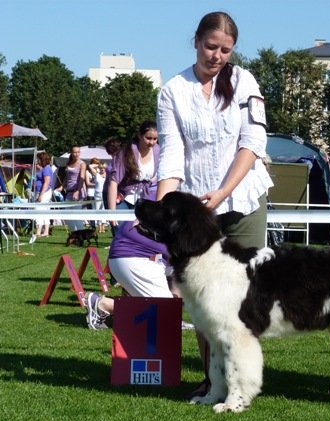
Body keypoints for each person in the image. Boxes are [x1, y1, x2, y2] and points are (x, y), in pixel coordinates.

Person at [155, 11, 273, 400]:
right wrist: (160, 212)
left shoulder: (244, 81)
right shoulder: (173, 89)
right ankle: (211, 379)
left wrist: (223, 192)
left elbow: (253, 143)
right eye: (211, 47)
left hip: (243, 201)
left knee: (243, 302)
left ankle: (241, 382)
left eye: (226, 50)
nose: (218, 56)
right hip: (198, 215)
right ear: (196, 41)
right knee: (205, 304)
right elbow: (171, 156)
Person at [84, 220, 194, 331]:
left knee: (185, 275)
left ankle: (172, 315)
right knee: (164, 315)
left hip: (137, 256)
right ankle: (103, 305)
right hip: (132, 258)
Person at [107, 121, 159, 235]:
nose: (152, 142)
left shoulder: (158, 151)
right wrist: (112, 213)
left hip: (145, 199)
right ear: (140, 136)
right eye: (148, 138)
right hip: (123, 198)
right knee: (121, 233)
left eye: (155, 139)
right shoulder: (126, 152)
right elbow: (113, 182)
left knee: (145, 235)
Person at [62, 145, 89, 232]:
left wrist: (78, 190)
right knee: (66, 215)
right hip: (69, 192)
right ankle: (74, 234)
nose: (76, 154)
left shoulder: (82, 164)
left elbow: (82, 178)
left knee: (76, 215)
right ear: (71, 152)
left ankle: (80, 235)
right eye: (74, 152)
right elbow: (67, 177)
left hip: (78, 192)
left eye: (78, 152)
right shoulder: (69, 163)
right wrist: (61, 186)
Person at [30, 151, 54, 242]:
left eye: (38, 159)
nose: (37, 160)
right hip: (43, 192)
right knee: (45, 211)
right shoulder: (44, 168)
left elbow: (46, 182)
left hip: (44, 192)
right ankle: (46, 231)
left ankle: (39, 231)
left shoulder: (47, 169)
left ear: (42, 159)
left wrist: (41, 194)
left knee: (39, 210)